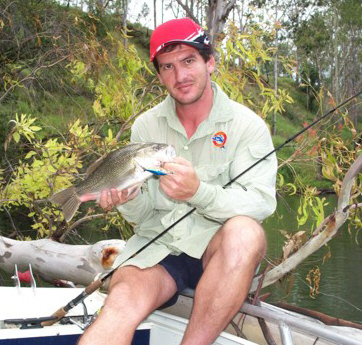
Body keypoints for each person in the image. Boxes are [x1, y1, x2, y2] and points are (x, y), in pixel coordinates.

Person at [78, 17, 277, 345]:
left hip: (221, 253)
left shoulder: (248, 127)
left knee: (245, 232)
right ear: (159, 75)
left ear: (209, 62)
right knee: (120, 306)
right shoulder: (145, 127)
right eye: (168, 67)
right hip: (159, 248)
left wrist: (199, 192)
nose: (180, 76)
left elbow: (260, 202)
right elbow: (144, 217)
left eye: (188, 61)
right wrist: (127, 200)